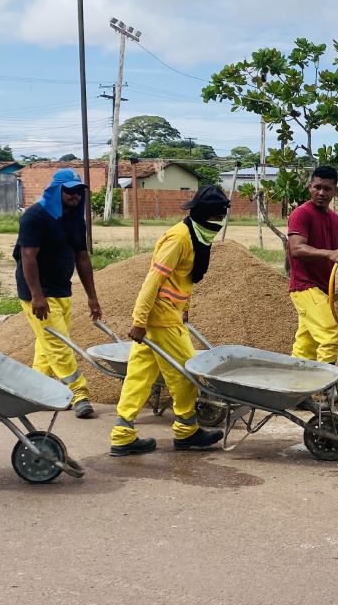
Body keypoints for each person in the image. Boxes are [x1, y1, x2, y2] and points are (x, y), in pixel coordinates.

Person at [109, 184, 230, 456]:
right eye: (218, 217)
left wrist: (185, 306)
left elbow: (183, 279)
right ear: (206, 215)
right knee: (188, 372)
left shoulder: (196, 236)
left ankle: (122, 434)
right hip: (160, 317)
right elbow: (154, 279)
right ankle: (186, 431)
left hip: (168, 313)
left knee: (139, 375)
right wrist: (138, 320)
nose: (221, 222)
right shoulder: (179, 238)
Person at [14, 169, 101, 418]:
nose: (75, 196)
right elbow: (28, 257)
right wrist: (37, 296)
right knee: (58, 343)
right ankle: (78, 393)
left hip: (62, 288)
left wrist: (92, 297)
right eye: (69, 191)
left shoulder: (75, 218)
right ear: (56, 191)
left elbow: (82, 258)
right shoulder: (35, 217)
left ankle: (35, 388)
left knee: (48, 343)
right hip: (37, 290)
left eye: (78, 191)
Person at [287, 166, 338, 365]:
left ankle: (295, 386)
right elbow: (296, 249)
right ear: (310, 187)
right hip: (304, 286)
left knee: (306, 346)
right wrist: (328, 254)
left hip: (324, 288)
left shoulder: (335, 220)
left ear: (336, 191)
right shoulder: (302, 214)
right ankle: (326, 391)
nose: (321, 193)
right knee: (329, 332)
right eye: (317, 187)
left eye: (327, 188)